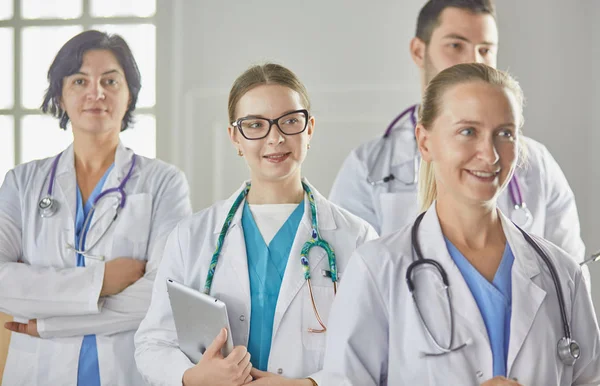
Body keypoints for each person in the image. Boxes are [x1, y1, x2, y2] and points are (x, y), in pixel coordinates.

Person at [321, 63, 600, 386]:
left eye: (505, 134)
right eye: (468, 131)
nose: (490, 154)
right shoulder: (378, 269)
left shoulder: (562, 273)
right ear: (425, 143)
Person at [134, 63, 378, 386]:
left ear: (310, 129)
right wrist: (193, 376)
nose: (275, 138)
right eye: (255, 125)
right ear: (235, 137)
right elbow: (153, 343)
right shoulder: (192, 237)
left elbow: (375, 352)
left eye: (290, 121)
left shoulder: (356, 238)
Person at [328, 0, 587, 276]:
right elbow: (347, 282)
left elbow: (570, 284)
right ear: (419, 51)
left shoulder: (538, 166)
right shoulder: (368, 167)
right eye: (455, 45)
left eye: (485, 50)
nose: (472, 61)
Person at [0, 30, 192, 385]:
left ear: (129, 94)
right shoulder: (21, 183)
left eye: (110, 81)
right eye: (79, 80)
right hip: (38, 372)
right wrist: (102, 281)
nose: (96, 93)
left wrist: (48, 325)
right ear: (60, 94)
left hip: (128, 369)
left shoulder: (164, 182)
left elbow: (162, 292)